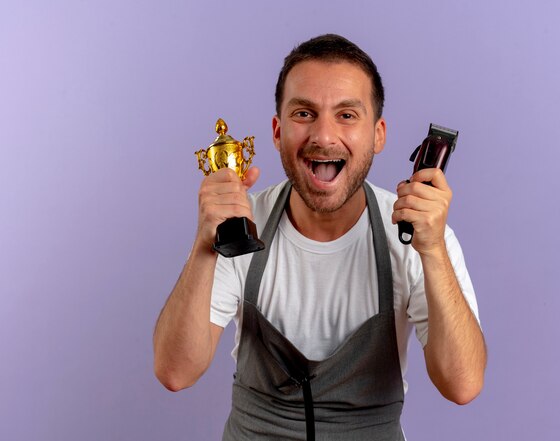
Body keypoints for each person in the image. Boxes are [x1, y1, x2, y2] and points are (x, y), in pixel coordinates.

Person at [153, 34, 486, 440]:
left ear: (378, 134)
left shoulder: (419, 236)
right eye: (304, 114)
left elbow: (462, 385)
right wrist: (206, 245)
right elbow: (175, 372)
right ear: (277, 132)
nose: (324, 136)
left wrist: (432, 251)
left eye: (347, 115)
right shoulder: (243, 224)